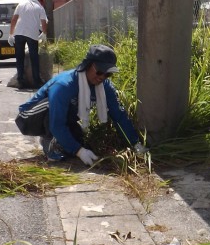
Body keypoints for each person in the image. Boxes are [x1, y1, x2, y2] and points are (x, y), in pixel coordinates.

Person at [18, 44, 146, 164]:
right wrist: (79, 151)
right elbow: (57, 122)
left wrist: (135, 144)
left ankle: (59, 141)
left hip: (64, 117)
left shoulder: (105, 87)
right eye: (100, 71)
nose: (102, 77)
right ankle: (48, 140)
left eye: (108, 74)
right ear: (88, 65)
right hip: (29, 117)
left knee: (79, 142)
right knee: (52, 106)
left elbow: (119, 115)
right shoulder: (64, 85)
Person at [9, 0, 48, 89]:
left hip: (19, 33)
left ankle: (20, 81)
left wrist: (11, 34)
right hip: (32, 34)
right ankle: (36, 81)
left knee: (19, 58)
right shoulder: (39, 7)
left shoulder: (21, 4)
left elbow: (14, 19)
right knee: (34, 58)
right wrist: (44, 33)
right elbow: (44, 22)